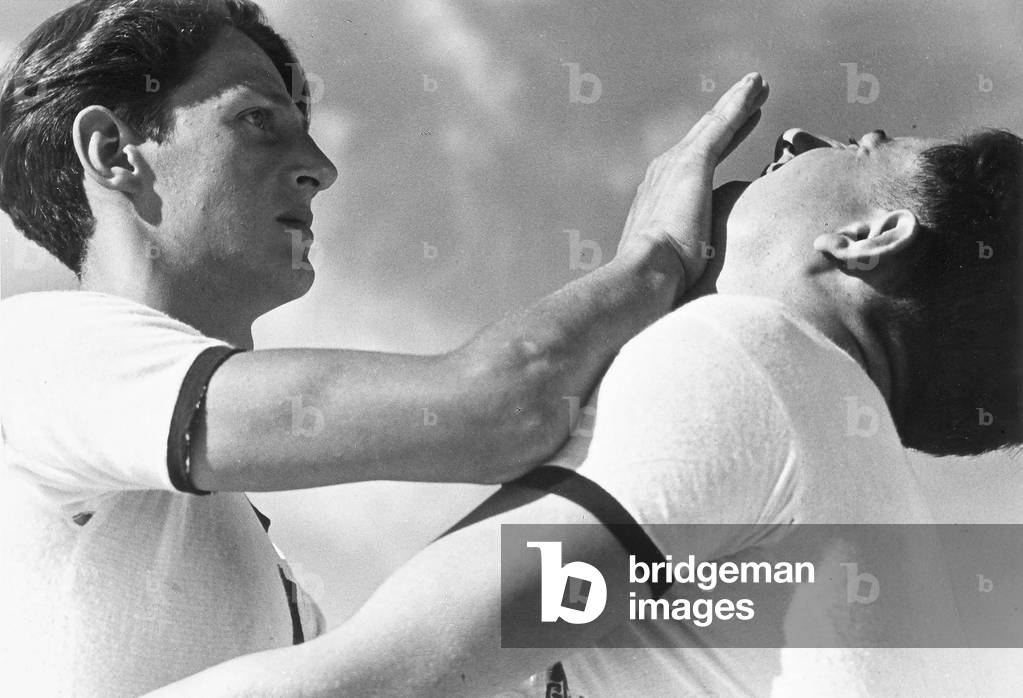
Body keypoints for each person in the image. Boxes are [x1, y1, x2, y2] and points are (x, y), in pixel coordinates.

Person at [0, 1, 768, 695]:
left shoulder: (272, 586)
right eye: (258, 120)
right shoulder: (34, 352)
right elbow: (499, 408)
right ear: (113, 150)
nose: (320, 168)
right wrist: (657, 254)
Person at [143, 123, 1023, 696]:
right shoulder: (893, 539)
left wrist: (646, 263)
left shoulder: (761, 359)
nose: (792, 135)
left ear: (868, 238)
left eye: (847, 144)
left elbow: (387, 681)